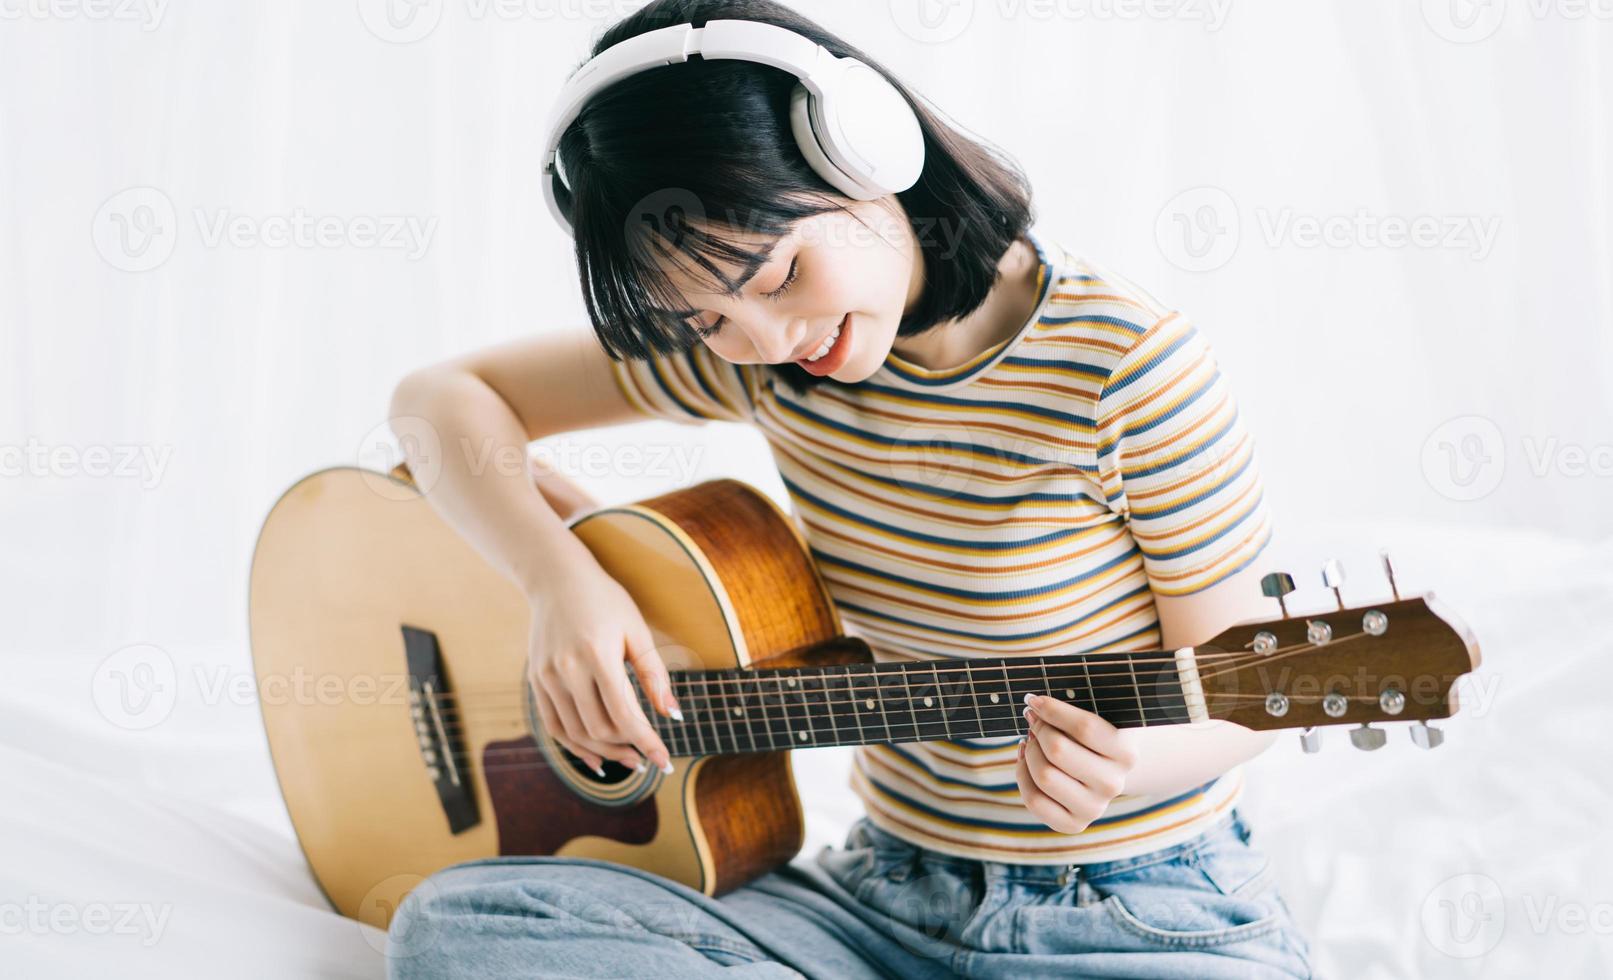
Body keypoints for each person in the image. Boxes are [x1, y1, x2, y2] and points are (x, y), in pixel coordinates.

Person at [384, 1, 1314, 976]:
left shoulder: (1124, 366)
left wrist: (1130, 762)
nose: (765, 338)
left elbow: (1251, 684)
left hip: (1133, 907)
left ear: (866, 154)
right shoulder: (760, 362)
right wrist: (558, 583)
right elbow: (438, 402)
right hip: (879, 895)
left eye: (780, 271)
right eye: (704, 321)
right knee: (457, 924)